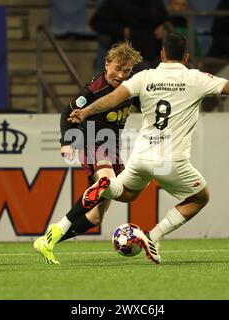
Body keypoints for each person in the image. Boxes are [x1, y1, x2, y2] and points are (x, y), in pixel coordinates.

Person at [69, 32, 229, 264]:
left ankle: (106, 187)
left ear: (161, 54)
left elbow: (113, 98)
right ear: (187, 56)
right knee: (200, 197)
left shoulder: (145, 77)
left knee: (128, 193)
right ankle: (153, 236)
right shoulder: (196, 78)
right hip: (171, 160)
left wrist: (86, 111)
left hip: (141, 156)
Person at [33, 42, 143, 264]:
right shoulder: (95, 89)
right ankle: (57, 229)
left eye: (127, 71)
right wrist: (66, 141)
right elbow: (67, 111)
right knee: (107, 182)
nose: (121, 75)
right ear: (106, 63)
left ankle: (47, 241)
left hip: (112, 147)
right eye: (117, 68)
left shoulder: (131, 87)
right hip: (92, 141)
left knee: (96, 216)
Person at [90, 0, 168, 73]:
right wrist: (121, 31)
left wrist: (162, 26)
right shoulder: (117, 2)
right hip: (128, 51)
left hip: (154, 49)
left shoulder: (155, 2)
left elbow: (164, 18)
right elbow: (96, 22)